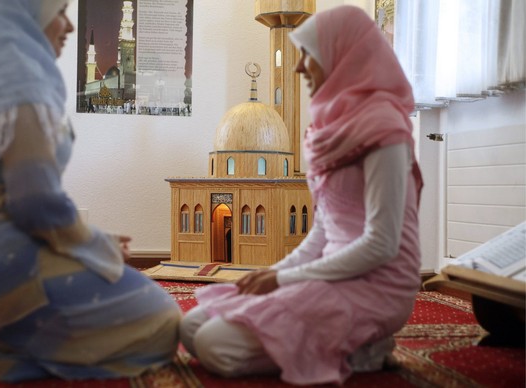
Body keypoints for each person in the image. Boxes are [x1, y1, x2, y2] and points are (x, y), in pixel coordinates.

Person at [179, 5, 423, 386]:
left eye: (309, 53)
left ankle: (363, 347)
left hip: (376, 284)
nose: (298, 67)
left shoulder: (385, 131)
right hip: (331, 272)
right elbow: (323, 234)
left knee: (215, 346)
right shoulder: (329, 132)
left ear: (343, 56)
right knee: (192, 326)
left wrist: (284, 280)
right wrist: (275, 271)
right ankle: (343, 343)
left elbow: (381, 245)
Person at [0, 0, 180, 382]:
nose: (69, 26)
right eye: (59, 12)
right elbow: (35, 203)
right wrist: (96, 244)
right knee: (162, 320)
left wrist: (87, 243)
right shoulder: (20, 85)